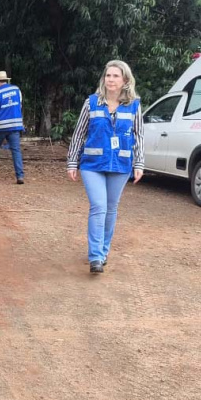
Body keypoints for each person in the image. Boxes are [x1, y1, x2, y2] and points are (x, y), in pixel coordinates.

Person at [66, 60, 144, 274]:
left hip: (120, 164)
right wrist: (72, 161)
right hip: (92, 164)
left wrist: (139, 163)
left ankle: (103, 250)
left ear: (125, 80)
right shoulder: (91, 103)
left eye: (115, 76)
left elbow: (139, 136)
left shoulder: (134, 106)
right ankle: (95, 257)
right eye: (108, 75)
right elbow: (79, 134)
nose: (110, 79)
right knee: (98, 206)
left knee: (111, 209)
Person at [0, 71, 25, 184]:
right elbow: (19, 105)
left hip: (1, 127)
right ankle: (20, 176)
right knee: (16, 150)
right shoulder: (17, 90)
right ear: (6, 80)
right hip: (15, 125)